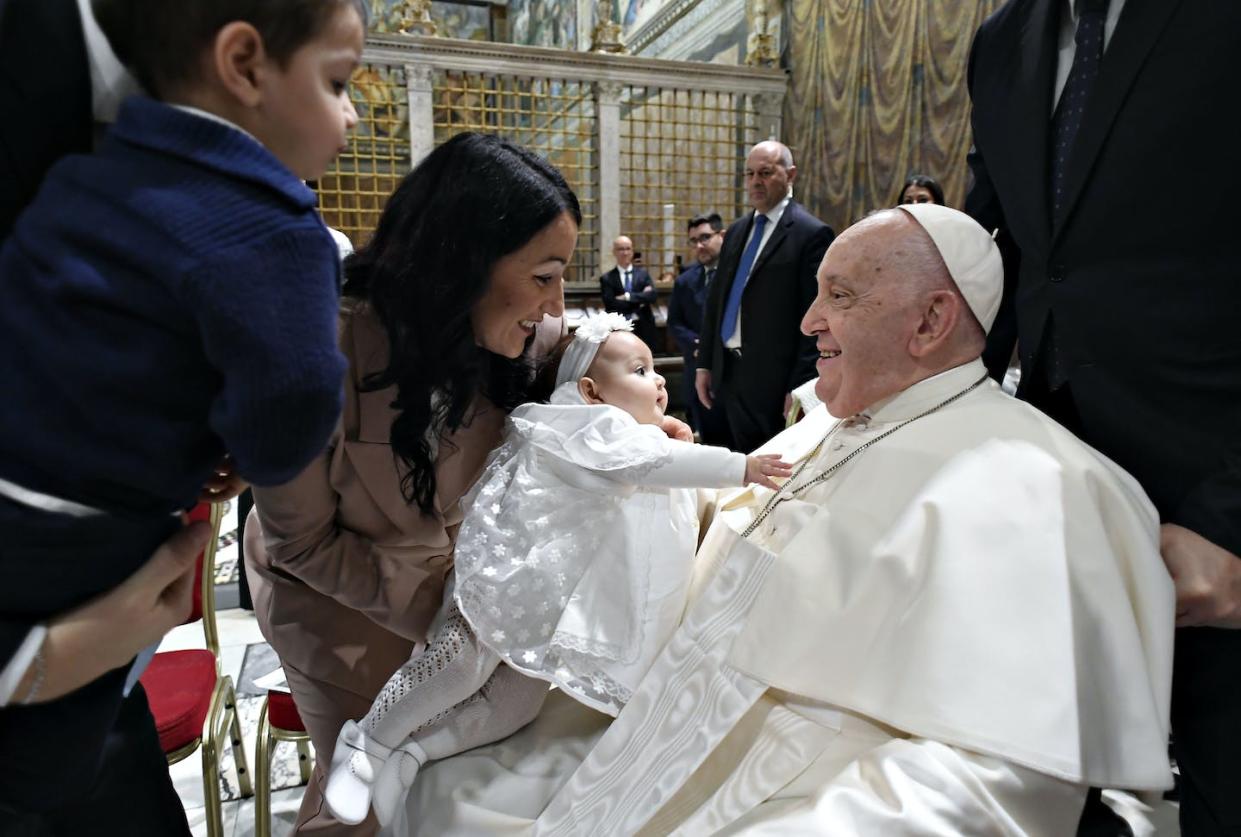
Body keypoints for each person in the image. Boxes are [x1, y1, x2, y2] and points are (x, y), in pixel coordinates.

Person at [396, 204, 1175, 836]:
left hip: (801, 783)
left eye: (839, 295)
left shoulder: (1038, 483)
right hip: (656, 717)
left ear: (930, 321)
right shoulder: (822, 424)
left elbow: (990, 779)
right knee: (433, 786)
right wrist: (628, 471)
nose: (806, 321)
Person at [0, 0, 366, 823]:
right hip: (85, 535)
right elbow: (296, 404)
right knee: (46, 772)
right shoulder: (280, 232)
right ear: (243, 65)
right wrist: (247, 436)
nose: (351, 114)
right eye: (340, 83)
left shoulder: (103, 164)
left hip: (21, 485)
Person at [321, 313, 790, 827]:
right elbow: (642, 463)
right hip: (504, 580)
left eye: (656, 369)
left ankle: (419, 752)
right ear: (590, 390)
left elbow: (653, 462)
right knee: (460, 664)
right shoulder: (583, 424)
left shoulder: (626, 433)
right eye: (638, 370)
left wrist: (667, 435)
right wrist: (736, 466)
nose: (657, 380)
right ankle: (367, 741)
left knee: (517, 704)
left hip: (542, 603)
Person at [243, 131, 578, 836]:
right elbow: (301, 542)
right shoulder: (317, 351)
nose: (553, 307)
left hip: (453, 590)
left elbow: (604, 366)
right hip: (329, 595)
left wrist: (647, 421)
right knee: (364, 780)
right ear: (465, 263)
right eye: (543, 276)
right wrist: (446, 623)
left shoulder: (522, 336)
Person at [965, 3, 1241, 833]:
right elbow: (1009, 247)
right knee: (1055, 788)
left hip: (1214, 485)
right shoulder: (1000, 40)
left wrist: (1231, 516)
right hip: (1059, 484)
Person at [696, 140, 834, 453]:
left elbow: (816, 314)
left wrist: (802, 387)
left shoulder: (811, 234)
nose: (756, 181)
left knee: (770, 468)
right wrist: (705, 363)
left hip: (773, 381)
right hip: (725, 373)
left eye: (766, 172)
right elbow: (716, 301)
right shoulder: (738, 230)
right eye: (749, 174)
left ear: (791, 174)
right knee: (727, 464)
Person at [668, 212, 728, 442]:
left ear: (721, 235)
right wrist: (696, 344)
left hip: (728, 369)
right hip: (695, 366)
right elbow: (675, 321)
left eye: (705, 238)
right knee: (704, 435)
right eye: (694, 241)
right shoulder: (685, 281)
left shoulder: (735, 275)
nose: (699, 245)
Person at [599, 234, 658, 351]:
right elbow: (610, 303)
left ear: (632, 251)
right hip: (620, 329)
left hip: (644, 326)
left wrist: (627, 297)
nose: (625, 253)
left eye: (628, 249)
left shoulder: (643, 274)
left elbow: (652, 296)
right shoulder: (607, 278)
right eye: (621, 249)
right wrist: (640, 300)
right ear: (614, 252)